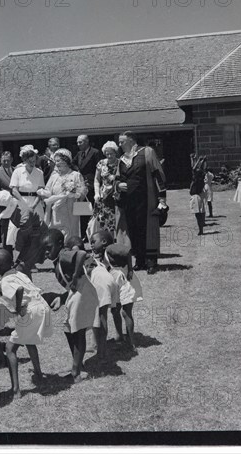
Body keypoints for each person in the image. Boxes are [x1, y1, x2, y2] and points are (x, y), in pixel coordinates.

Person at [42, 229, 98, 382]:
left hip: (83, 293)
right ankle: (77, 363)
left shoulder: (63, 255)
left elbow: (81, 254)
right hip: (76, 293)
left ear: (60, 244)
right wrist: (62, 297)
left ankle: (76, 372)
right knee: (68, 329)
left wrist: (75, 275)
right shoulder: (59, 259)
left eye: (49, 248)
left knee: (77, 331)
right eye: (44, 249)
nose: (46, 252)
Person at [0, 249, 52, 398]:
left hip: (30, 311)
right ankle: (38, 374)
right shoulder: (19, 273)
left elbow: (19, 290)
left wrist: (18, 307)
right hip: (41, 305)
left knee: (10, 348)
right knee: (29, 341)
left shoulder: (6, 281)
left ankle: (16, 390)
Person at [116, 131, 167, 275]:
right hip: (129, 201)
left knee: (148, 229)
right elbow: (117, 178)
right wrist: (118, 185)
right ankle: (139, 260)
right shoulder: (121, 159)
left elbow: (158, 175)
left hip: (147, 198)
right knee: (133, 229)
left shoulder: (147, 152)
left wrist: (162, 199)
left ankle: (151, 262)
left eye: (122, 141)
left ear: (131, 140)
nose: (119, 145)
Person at [40, 148, 87, 239]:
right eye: (55, 161)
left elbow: (83, 192)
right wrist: (42, 192)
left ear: (66, 161)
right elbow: (48, 190)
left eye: (58, 161)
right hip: (56, 210)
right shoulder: (54, 176)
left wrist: (75, 194)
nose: (56, 163)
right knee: (57, 232)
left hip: (71, 209)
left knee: (71, 232)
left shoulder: (76, 175)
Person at [105, 243, 142, 352]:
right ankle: (120, 336)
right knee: (115, 310)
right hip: (115, 282)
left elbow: (127, 251)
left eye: (93, 242)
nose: (91, 245)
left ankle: (131, 342)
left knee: (126, 312)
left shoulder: (111, 248)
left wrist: (130, 269)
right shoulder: (100, 254)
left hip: (125, 281)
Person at [87, 230, 117, 358]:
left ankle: (102, 349)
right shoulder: (97, 255)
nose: (91, 245)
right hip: (98, 286)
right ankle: (94, 343)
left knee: (102, 316)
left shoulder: (109, 254)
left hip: (106, 286)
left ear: (104, 242)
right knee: (96, 315)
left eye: (93, 242)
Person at [73, 135, 101, 239]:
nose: (78, 144)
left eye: (80, 142)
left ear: (87, 142)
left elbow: (99, 169)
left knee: (91, 211)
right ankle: (83, 233)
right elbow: (73, 164)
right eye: (77, 142)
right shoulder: (79, 154)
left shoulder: (95, 152)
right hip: (81, 185)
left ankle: (93, 233)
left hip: (92, 185)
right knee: (82, 211)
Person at [10, 145, 46, 220]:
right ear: (24, 160)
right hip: (21, 203)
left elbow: (40, 191)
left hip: (36, 204)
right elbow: (14, 190)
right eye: (30, 161)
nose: (32, 163)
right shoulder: (17, 171)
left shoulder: (39, 173)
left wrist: (33, 207)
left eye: (34, 161)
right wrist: (24, 205)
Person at [93, 141, 120, 236]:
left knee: (115, 219)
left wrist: (113, 177)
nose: (109, 156)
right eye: (107, 154)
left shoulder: (120, 163)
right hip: (103, 195)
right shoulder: (101, 163)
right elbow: (96, 179)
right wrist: (96, 193)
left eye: (111, 154)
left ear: (115, 153)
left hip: (116, 194)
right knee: (103, 219)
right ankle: (106, 239)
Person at [0, 151, 15, 252]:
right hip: (4, 209)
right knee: (6, 233)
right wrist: (0, 212)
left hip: (18, 206)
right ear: (0, 160)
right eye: (4, 160)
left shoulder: (16, 170)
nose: (6, 162)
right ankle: (6, 257)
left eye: (8, 160)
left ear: (12, 160)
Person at [190, 155, 207, 236]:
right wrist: (202, 161)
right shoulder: (201, 177)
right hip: (199, 196)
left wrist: (199, 160)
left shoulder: (197, 179)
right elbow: (199, 169)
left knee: (198, 214)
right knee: (200, 213)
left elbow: (194, 169)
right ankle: (201, 228)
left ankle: (201, 230)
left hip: (196, 196)